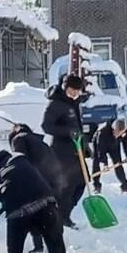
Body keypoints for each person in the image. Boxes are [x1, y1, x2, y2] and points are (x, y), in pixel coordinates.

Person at [41, 71, 89, 223]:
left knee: (82, 183)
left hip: (76, 151)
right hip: (62, 154)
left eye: (77, 90)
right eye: (72, 90)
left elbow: (77, 128)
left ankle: (64, 214)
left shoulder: (73, 103)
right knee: (67, 188)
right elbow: (46, 126)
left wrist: (85, 146)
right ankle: (61, 218)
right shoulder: (56, 103)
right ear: (65, 87)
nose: (75, 93)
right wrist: (68, 132)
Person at [90, 116, 127, 194]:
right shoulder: (102, 132)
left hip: (114, 145)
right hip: (100, 144)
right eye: (116, 133)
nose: (117, 135)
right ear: (113, 129)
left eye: (120, 134)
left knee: (118, 163)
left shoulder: (125, 132)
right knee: (96, 161)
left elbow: (126, 144)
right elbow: (100, 150)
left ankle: (124, 186)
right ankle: (96, 185)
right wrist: (104, 163)